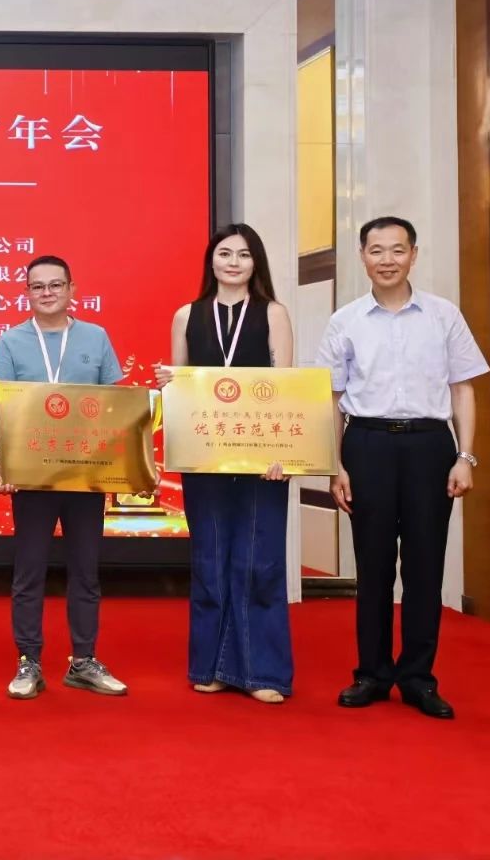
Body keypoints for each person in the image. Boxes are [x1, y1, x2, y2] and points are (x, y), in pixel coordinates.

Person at [316, 216, 487, 720]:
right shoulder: (345, 320)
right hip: (366, 445)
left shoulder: (443, 315)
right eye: (376, 250)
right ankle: (371, 673)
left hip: (430, 446)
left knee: (424, 566)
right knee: (371, 567)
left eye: (397, 250)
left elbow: (463, 388)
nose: (386, 260)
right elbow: (332, 399)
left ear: (414, 254)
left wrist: (464, 456)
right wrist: (335, 465)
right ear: (362, 257)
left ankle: (417, 678)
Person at [154, 225, 295, 704]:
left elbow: (284, 388)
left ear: (256, 263)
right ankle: (210, 666)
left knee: (260, 561)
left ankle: (263, 672)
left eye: (244, 254)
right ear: (210, 261)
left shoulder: (273, 313)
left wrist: (282, 453)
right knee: (210, 560)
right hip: (203, 455)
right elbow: (178, 389)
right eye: (225, 253)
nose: (234, 262)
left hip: (263, 458)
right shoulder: (187, 315)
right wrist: (167, 383)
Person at [0, 254, 128, 700]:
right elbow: (4, 409)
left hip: (86, 476)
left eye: (55, 285)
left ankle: (83, 661)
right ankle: (28, 661)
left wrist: (120, 469)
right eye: (37, 286)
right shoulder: (10, 341)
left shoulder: (95, 337)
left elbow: (114, 407)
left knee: (86, 571)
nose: (46, 293)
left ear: (71, 290)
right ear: (26, 293)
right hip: (32, 479)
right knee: (28, 572)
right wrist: (6, 467)